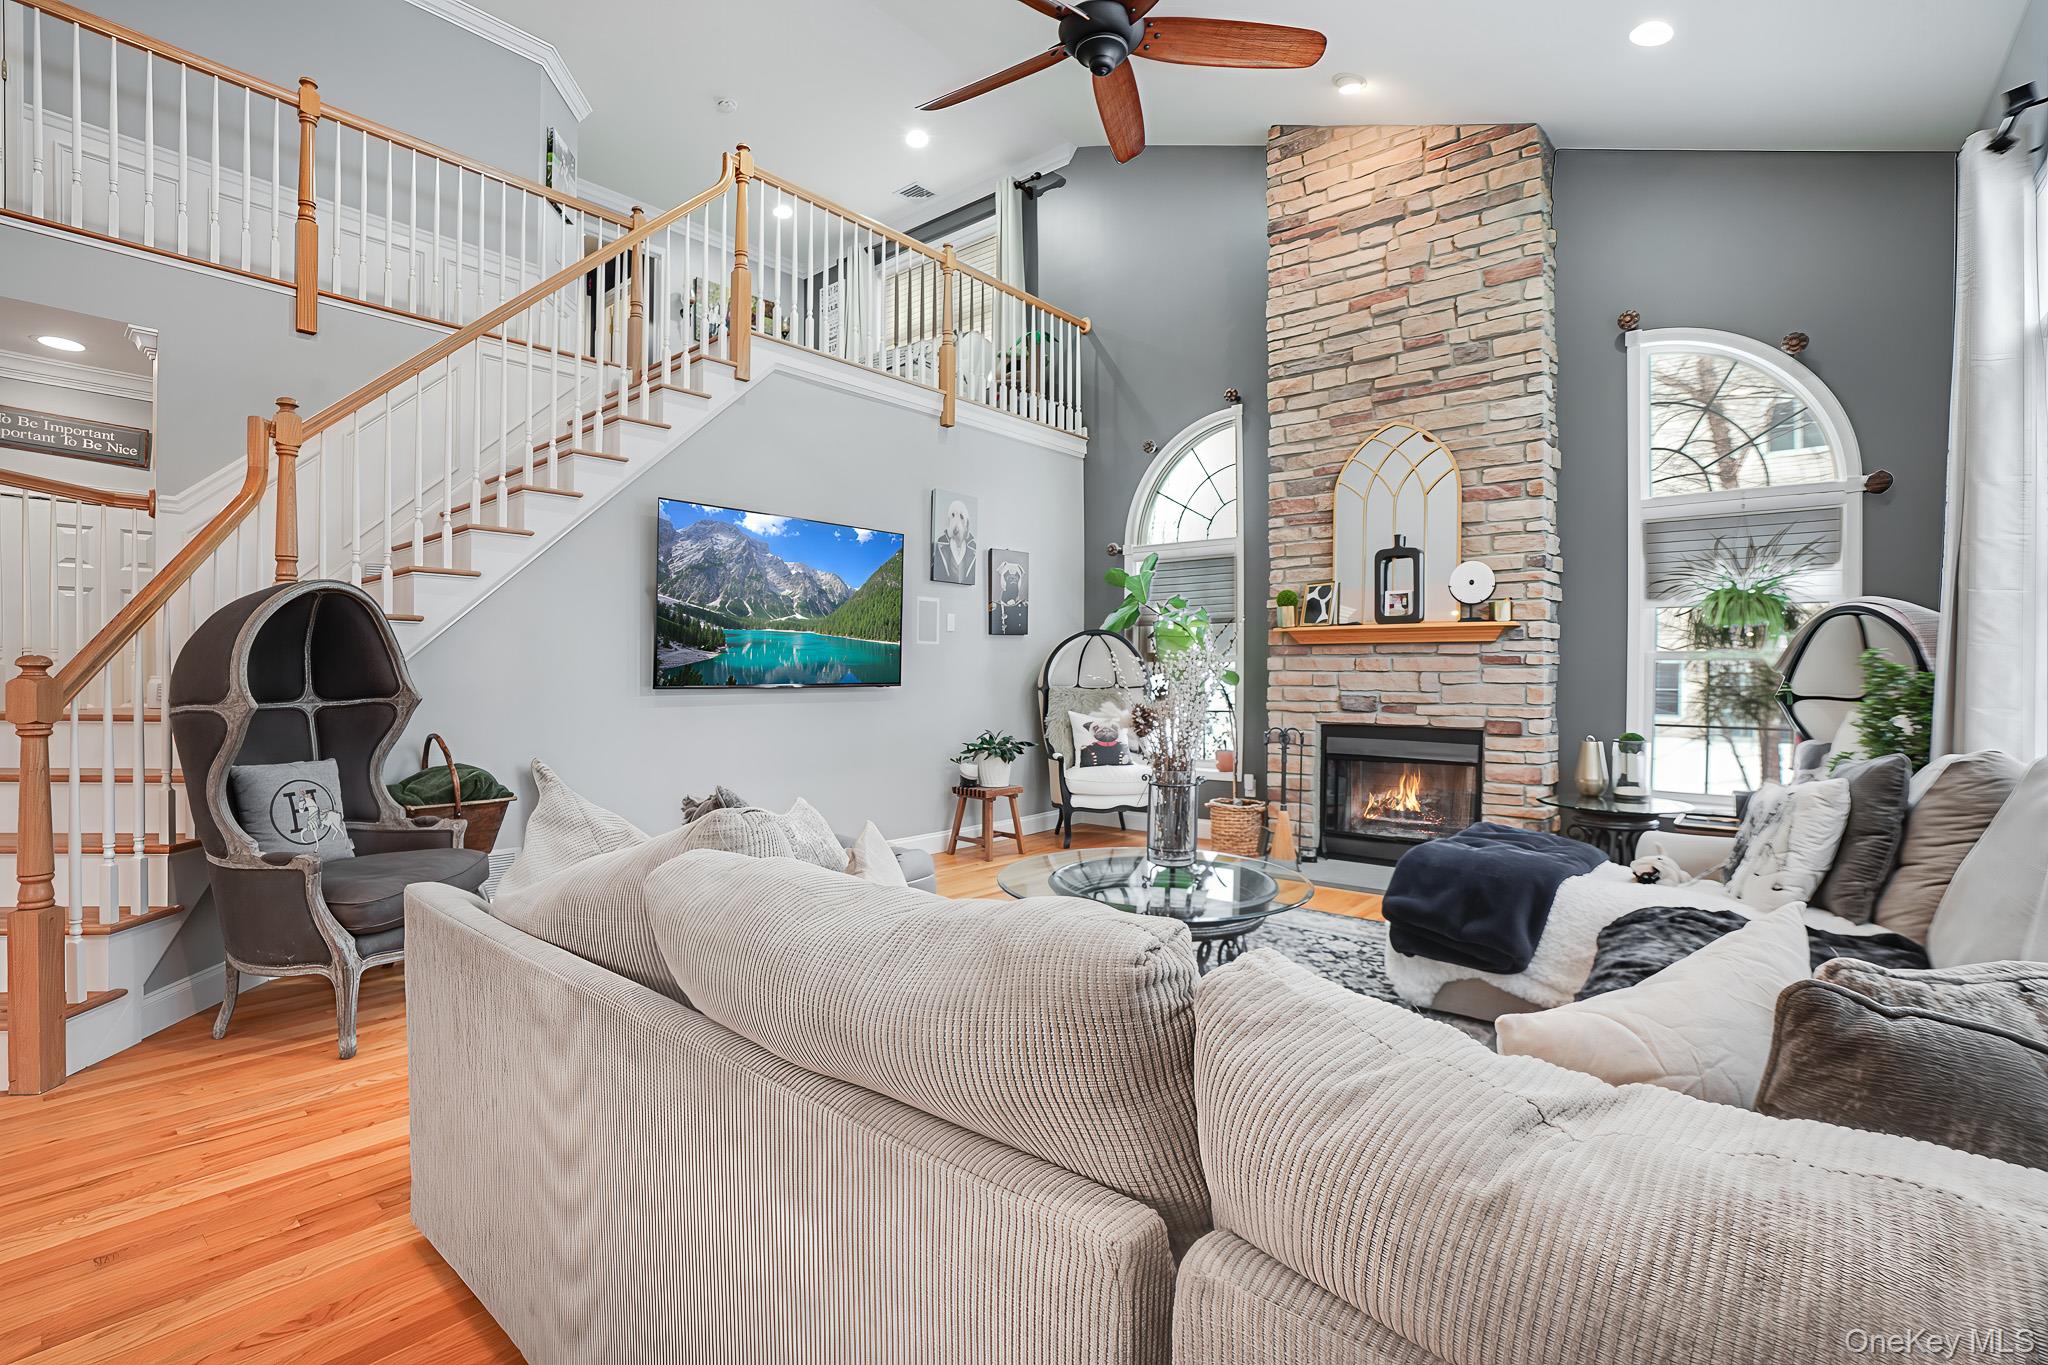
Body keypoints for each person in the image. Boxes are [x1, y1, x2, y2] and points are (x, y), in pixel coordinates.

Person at [932, 498, 976, 583]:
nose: (957, 520)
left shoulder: (973, 548)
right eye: (953, 515)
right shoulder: (940, 545)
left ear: (967, 523)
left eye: (961, 517)